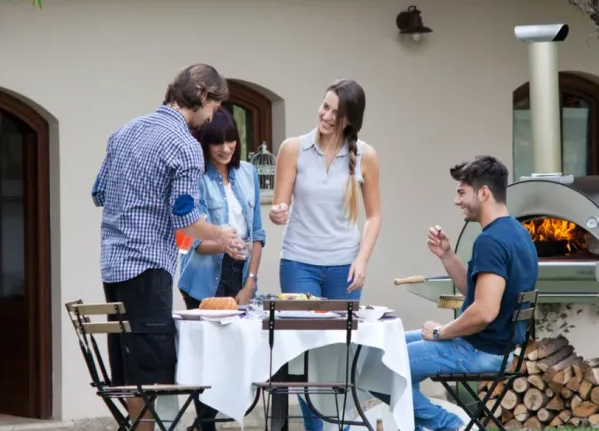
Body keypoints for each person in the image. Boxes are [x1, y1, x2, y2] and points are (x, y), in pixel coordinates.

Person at [92, 64, 245, 431]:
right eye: (214, 107)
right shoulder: (185, 146)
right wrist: (221, 235)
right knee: (152, 376)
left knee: (132, 372)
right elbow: (186, 219)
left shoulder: (123, 132)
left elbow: (99, 193)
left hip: (113, 266)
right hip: (148, 267)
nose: (212, 117)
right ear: (204, 96)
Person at [375, 155, 538, 431]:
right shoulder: (518, 233)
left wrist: (442, 332)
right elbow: (480, 294)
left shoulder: (491, 241)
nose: (456, 200)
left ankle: (453, 426)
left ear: (483, 193)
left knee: (376, 370)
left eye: (462, 192)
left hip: (478, 349)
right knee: (386, 347)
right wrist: (447, 255)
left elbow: (485, 311)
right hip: (495, 346)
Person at [268, 78, 382, 431]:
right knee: (305, 357)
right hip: (299, 264)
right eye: (325, 106)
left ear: (350, 119)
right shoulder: (292, 148)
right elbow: (279, 205)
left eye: (336, 111)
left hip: (344, 269)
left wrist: (361, 259)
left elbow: (375, 215)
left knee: (338, 356)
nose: (327, 115)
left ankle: (341, 427)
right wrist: (278, 213)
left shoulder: (366, 155)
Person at [177, 106, 267, 430]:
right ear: (205, 144)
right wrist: (224, 243)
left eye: (231, 141)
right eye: (218, 143)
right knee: (209, 359)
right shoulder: (196, 178)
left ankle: (201, 425)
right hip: (202, 278)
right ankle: (205, 425)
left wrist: (251, 283)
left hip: (240, 273)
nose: (226, 148)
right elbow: (195, 241)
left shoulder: (249, 175)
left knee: (233, 355)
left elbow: (257, 234)